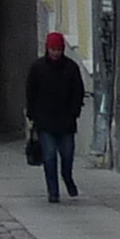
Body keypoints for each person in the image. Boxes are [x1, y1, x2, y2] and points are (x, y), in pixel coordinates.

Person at [25, 31, 86, 202]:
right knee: (50, 157)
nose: (55, 53)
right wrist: (32, 114)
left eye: (58, 49)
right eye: (52, 49)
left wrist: (74, 111)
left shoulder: (70, 67)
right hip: (45, 121)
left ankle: (67, 178)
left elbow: (78, 91)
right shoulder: (37, 68)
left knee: (67, 155)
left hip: (66, 120)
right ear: (47, 48)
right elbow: (31, 92)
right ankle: (53, 191)